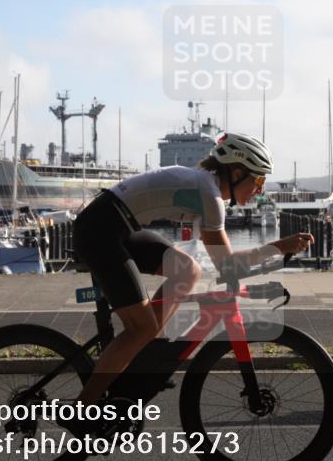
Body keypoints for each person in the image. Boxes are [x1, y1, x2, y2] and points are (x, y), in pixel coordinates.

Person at [66, 132, 313, 426]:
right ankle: (81, 411)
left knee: (188, 270)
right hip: (101, 230)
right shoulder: (209, 194)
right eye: (257, 181)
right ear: (236, 172)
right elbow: (227, 263)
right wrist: (279, 247)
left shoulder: (205, 187)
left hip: (116, 225)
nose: (259, 190)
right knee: (140, 327)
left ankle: (142, 352)